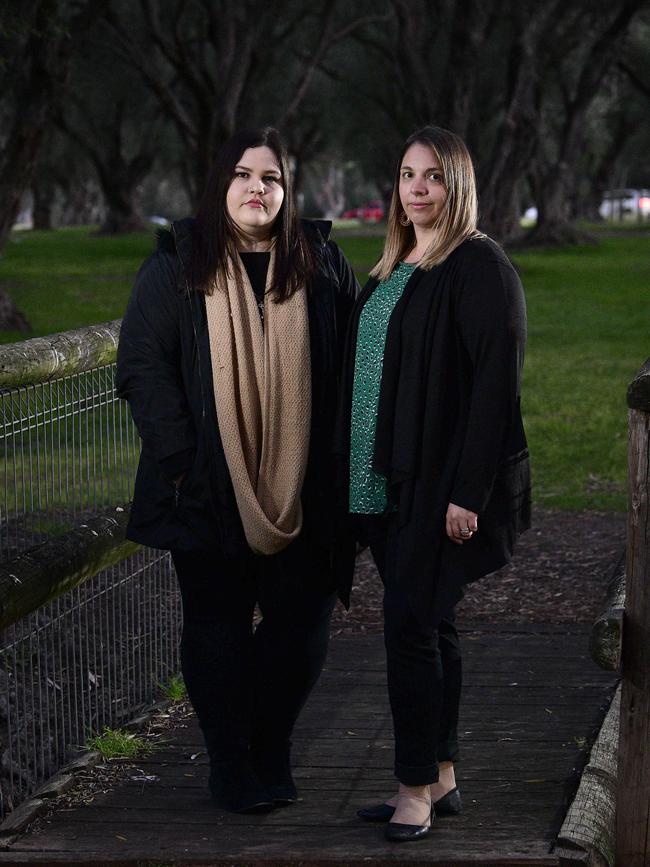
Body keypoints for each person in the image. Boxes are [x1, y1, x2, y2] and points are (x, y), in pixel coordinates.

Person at [116, 127, 358, 814]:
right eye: (244, 175)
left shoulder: (319, 261)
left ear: (288, 190)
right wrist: (183, 463)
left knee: (301, 621)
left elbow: (347, 368)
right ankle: (229, 761)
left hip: (304, 485)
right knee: (216, 622)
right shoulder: (176, 266)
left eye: (273, 178)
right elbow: (143, 365)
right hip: (205, 485)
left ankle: (271, 746)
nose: (259, 188)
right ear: (219, 185)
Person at [335, 125, 530, 842]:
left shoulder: (478, 265)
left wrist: (468, 492)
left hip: (436, 482)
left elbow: (494, 387)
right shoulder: (394, 263)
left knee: (409, 628)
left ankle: (411, 786)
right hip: (380, 480)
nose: (417, 188)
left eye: (433, 176)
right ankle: (443, 772)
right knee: (433, 622)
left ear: (458, 185)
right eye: (408, 174)